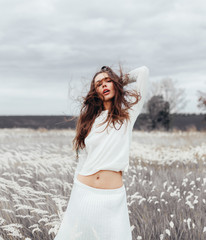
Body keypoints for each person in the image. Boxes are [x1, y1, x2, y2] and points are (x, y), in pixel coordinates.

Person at [54, 64, 149, 240]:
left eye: (108, 81)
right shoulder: (90, 120)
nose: (104, 85)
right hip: (83, 192)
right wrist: (76, 192)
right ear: (95, 92)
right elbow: (83, 159)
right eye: (99, 84)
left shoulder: (128, 113)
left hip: (112, 198)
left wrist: (119, 81)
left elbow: (143, 73)